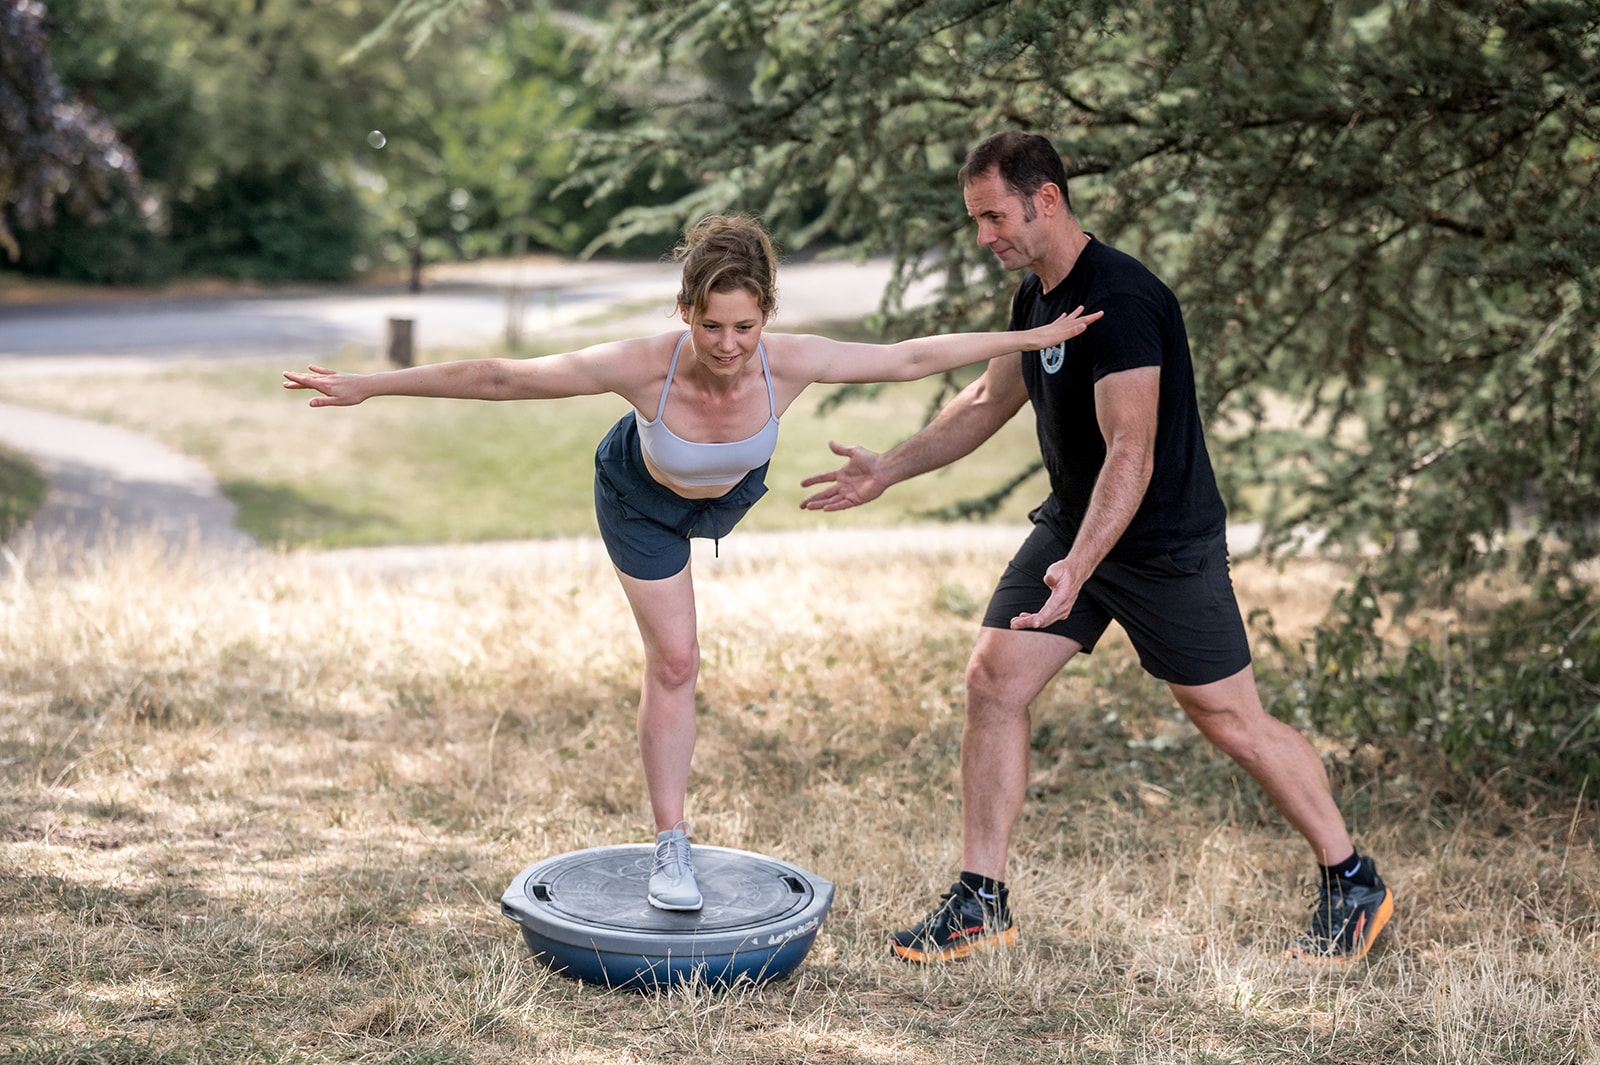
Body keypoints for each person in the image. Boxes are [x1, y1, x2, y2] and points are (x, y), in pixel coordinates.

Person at [284, 214, 1101, 913]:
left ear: (766, 316)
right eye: (711, 326)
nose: (728, 345)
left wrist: (1030, 338)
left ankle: (672, 830)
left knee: (682, 651)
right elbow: (503, 378)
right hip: (639, 499)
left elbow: (911, 357)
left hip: (722, 493)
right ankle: (670, 842)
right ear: (686, 312)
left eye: (745, 327)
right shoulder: (648, 362)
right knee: (676, 660)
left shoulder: (790, 359)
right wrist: (371, 384)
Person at [800, 133, 1394, 965]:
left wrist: (1079, 566)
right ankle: (980, 899)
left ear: (1046, 199)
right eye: (975, 220)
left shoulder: (1122, 297)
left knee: (1229, 718)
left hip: (1161, 543)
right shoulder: (1037, 298)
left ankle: (1353, 878)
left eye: (993, 217)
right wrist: (889, 469)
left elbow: (1131, 452)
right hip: (1075, 526)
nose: (983, 237)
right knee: (994, 681)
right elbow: (985, 399)